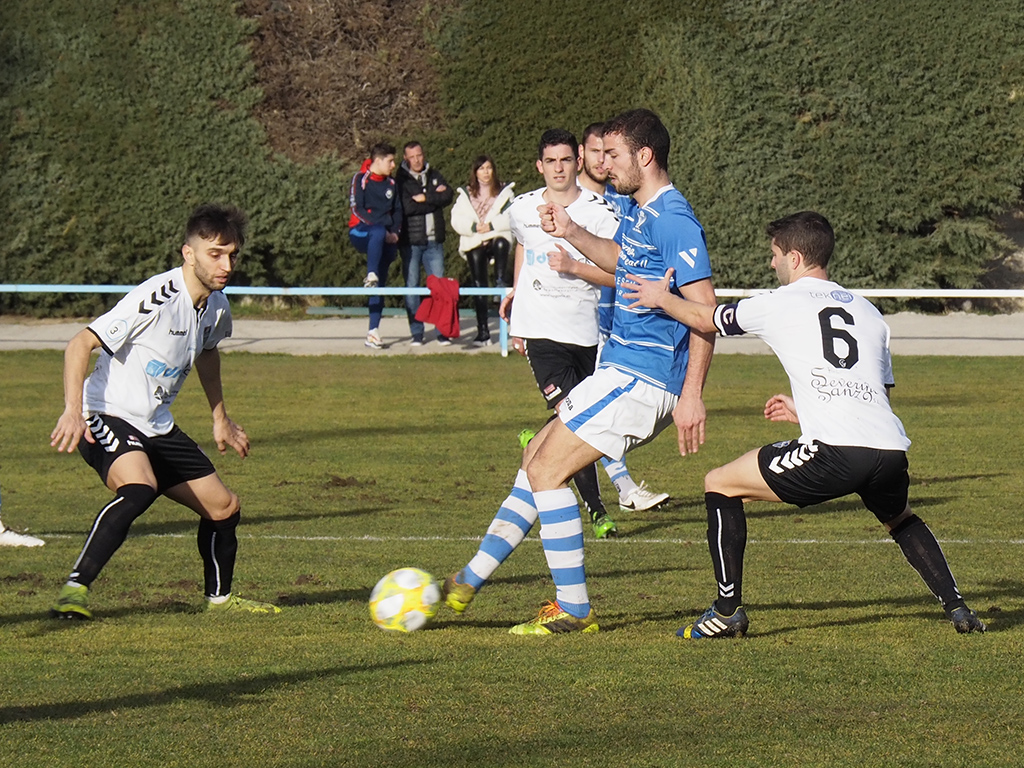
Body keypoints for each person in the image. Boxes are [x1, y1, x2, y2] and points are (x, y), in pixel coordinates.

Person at [622, 210, 986, 637]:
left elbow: (708, 319)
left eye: (774, 255)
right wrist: (805, 407)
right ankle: (958, 608)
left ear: (794, 258)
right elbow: (875, 393)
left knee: (719, 482)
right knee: (900, 518)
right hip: (888, 449)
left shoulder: (781, 303)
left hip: (834, 452)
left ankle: (726, 613)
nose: (770, 263)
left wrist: (660, 298)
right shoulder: (869, 312)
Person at [442, 110, 716, 634]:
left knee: (547, 471)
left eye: (611, 155)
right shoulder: (639, 211)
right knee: (534, 456)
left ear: (645, 156)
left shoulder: (674, 219)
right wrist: (571, 233)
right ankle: (466, 583)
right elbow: (622, 259)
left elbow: (706, 311)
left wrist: (692, 394)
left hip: (646, 380)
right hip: (619, 372)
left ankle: (573, 609)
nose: (601, 164)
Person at [48, 203, 280, 620]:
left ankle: (221, 600)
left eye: (232, 254)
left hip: (156, 424)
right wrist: (72, 412)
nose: (226, 264)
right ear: (188, 253)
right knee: (139, 487)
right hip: (106, 412)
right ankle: (73, 590)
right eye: (215, 253)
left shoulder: (217, 306)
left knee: (224, 507)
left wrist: (219, 417)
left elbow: (208, 353)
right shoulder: (157, 296)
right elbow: (80, 343)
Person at [573, 121, 670, 513]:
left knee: (569, 432)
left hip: (618, 331)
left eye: (610, 153)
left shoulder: (627, 203)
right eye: (597, 152)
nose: (603, 161)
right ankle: (621, 489)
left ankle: (619, 489)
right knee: (568, 430)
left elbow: (622, 262)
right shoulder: (562, 204)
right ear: (583, 155)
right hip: (575, 326)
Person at [450, 155, 516, 346]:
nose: (485, 172)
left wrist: (492, 226)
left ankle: (499, 282)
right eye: (481, 168)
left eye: (488, 168)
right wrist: (473, 228)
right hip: (474, 240)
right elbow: (456, 219)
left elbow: (511, 216)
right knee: (479, 284)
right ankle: (483, 331)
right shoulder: (465, 194)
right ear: (475, 171)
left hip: (495, 237)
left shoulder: (505, 192)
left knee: (502, 243)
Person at [396, 141, 454, 346]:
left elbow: (447, 195)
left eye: (419, 155)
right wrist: (433, 200)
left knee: (439, 290)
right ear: (406, 159)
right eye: (412, 157)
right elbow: (408, 208)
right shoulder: (401, 180)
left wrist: (425, 197)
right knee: (412, 287)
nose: (417, 160)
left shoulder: (435, 174)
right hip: (411, 243)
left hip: (434, 243)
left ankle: (441, 333)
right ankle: (417, 333)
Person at [348, 143, 403, 349]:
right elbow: (357, 210)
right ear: (377, 161)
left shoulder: (391, 183)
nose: (393, 165)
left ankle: (373, 331)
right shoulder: (359, 180)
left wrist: (395, 233)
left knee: (380, 284)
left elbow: (397, 212)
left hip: (386, 236)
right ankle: (370, 274)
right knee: (377, 232)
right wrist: (383, 227)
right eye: (390, 161)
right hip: (360, 231)